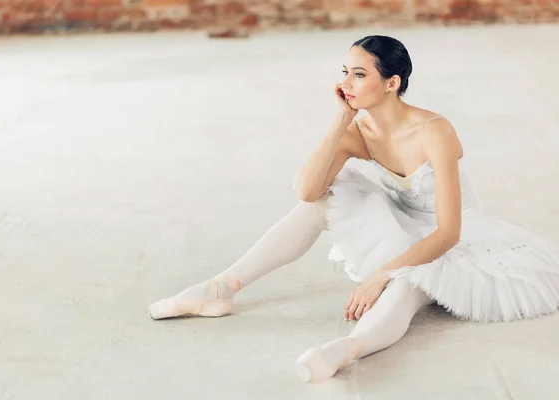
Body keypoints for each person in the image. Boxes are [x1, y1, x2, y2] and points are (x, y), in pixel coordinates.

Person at [148, 35, 559, 384]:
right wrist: (341, 119)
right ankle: (222, 289)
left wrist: (380, 275)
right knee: (326, 200)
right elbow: (306, 191)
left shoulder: (434, 130)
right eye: (344, 71)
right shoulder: (358, 128)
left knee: (410, 282)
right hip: (400, 220)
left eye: (359, 75)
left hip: (453, 238)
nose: (346, 82)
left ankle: (346, 349)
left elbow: (449, 233)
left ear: (392, 82)